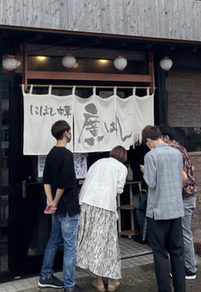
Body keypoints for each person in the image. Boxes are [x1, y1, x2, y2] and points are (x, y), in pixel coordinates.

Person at [38, 120, 84, 292]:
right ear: (65, 133)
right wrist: (55, 203)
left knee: (54, 240)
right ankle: (69, 286)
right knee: (70, 247)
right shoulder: (66, 154)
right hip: (68, 207)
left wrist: (51, 202)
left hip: (57, 209)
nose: (70, 134)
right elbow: (63, 184)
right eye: (69, 131)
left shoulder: (51, 153)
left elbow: (46, 180)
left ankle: (45, 276)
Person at [140, 126, 185, 292]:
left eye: (147, 143)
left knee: (160, 253)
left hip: (158, 212)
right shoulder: (176, 153)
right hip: (176, 209)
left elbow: (151, 183)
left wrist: (145, 172)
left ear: (149, 141)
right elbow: (181, 178)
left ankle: (165, 289)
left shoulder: (150, 156)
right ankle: (181, 289)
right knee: (177, 252)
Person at [77, 146, 128, 292]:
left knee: (93, 242)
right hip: (105, 205)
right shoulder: (121, 168)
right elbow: (118, 190)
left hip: (86, 202)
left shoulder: (98, 162)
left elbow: (87, 180)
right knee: (108, 243)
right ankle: (112, 281)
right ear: (124, 157)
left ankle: (99, 282)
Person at [160, 126, 197, 280]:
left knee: (184, 233)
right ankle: (186, 267)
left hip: (184, 198)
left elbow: (182, 175)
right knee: (183, 233)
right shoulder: (181, 149)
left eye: (159, 138)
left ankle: (190, 269)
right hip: (188, 196)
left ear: (166, 138)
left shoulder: (174, 151)